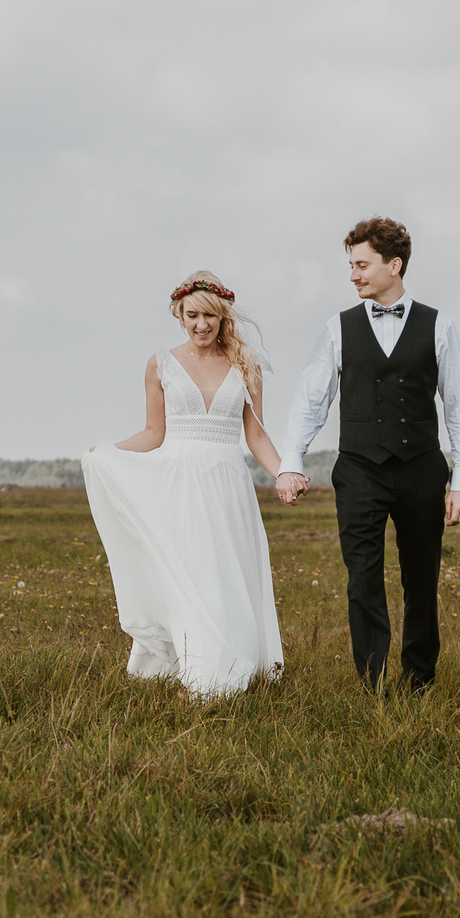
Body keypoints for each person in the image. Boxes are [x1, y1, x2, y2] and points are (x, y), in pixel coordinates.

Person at [275, 217, 460, 691]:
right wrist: (291, 461)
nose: (353, 275)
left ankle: (419, 679)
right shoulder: (337, 328)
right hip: (360, 470)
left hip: (422, 470)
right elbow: (311, 401)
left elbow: (458, 408)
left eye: (362, 265)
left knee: (421, 578)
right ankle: (372, 680)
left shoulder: (439, 326)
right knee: (362, 579)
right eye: (351, 265)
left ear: (394, 265)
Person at [81, 273, 287, 697]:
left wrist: (284, 473)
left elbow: (258, 436)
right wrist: (107, 452)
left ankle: (232, 662)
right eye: (192, 315)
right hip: (179, 485)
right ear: (179, 314)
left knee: (226, 577)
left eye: (209, 315)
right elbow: (153, 433)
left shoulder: (245, 364)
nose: (201, 324)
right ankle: (201, 668)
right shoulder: (160, 364)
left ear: (223, 315)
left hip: (229, 485)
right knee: (193, 576)